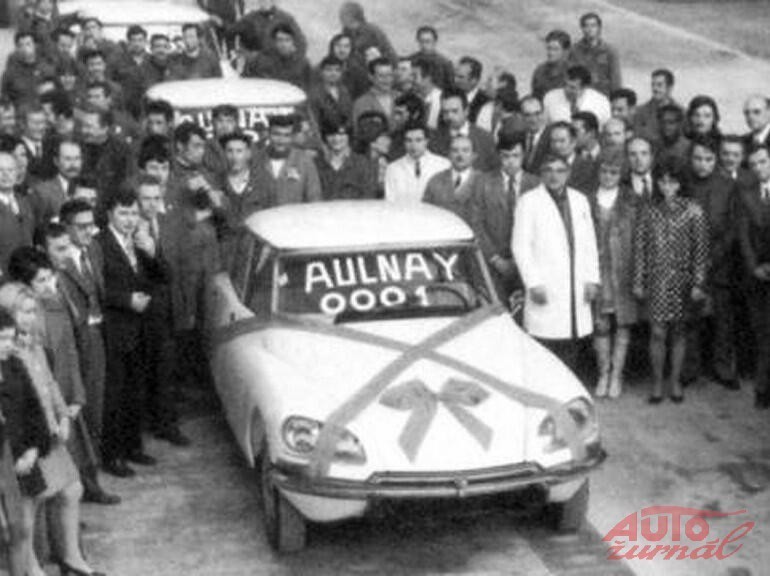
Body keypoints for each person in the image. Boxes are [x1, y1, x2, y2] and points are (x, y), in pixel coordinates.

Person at [0, 281, 105, 576]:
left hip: (49, 432)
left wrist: (63, 416)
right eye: (23, 312)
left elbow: (51, 384)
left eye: (33, 311)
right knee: (29, 507)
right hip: (29, 438)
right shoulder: (8, 355)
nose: (29, 318)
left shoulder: (35, 346)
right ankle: (32, 567)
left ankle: (71, 556)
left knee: (71, 490)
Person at [12, 241, 119, 507]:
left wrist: (76, 394)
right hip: (44, 400)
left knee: (81, 447)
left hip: (66, 391)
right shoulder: (19, 322)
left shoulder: (55, 304)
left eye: (49, 278)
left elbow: (70, 351)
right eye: (41, 281)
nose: (49, 285)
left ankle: (87, 490)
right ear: (23, 286)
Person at [97, 189, 165, 477]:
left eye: (134, 213)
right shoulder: (99, 244)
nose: (129, 219)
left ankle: (133, 447)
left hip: (141, 329)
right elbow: (96, 287)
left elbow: (165, 277)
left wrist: (152, 252)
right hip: (115, 329)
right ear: (110, 214)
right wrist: (126, 300)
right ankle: (112, 455)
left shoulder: (140, 241)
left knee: (135, 391)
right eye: (123, 213)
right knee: (115, 394)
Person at [512, 154, 600, 373]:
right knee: (546, 342)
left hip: (576, 283)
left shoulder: (579, 200)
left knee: (572, 340)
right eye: (548, 170)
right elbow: (520, 246)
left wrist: (592, 278)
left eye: (560, 170)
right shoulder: (529, 201)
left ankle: (569, 388)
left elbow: (589, 242)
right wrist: (533, 283)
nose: (554, 176)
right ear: (541, 174)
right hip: (545, 283)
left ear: (568, 173)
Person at [633, 159, 709, 403]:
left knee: (678, 332)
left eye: (673, 182)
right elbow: (639, 249)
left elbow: (701, 249)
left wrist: (699, 282)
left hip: (683, 281)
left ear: (680, 184)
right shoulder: (649, 210)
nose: (667, 187)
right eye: (663, 181)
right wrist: (638, 281)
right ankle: (657, 382)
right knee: (657, 332)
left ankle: (675, 381)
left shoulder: (693, 210)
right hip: (656, 281)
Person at [135, 177, 191, 448]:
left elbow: (180, 266)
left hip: (168, 308)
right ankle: (143, 426)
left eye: (156, 198)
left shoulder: (170, 223)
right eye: (145, 198)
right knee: (143, 371)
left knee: (166, 369)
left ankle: (166, 424)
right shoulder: (130, 228)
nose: (151, 204)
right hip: (141, 312)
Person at [682, 137, 738, 390]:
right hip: (688, 262)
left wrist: (712, 258)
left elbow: (732, 228)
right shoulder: (683, 185)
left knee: (723, 320)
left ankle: (723, 368)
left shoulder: (728, 186)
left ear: (716, 160)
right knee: (690, 318)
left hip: (720, 261)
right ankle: (690, 368)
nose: (702, 164)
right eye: (697, 158)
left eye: (708, 159)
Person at [57, 200, 106, 457]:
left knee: (98, 400)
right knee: (83, 401)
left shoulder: (94, 249)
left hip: (99, 332)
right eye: (81, 226)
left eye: (91, 225)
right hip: (77, 338)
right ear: (66, 227)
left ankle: (96, 456)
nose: (89, 231)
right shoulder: (60, 259)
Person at [590, 150, 639, 398]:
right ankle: (603, 373)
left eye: (614, 172)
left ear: (621, 175)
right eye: (604, 171)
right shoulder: (587, 199)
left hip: (624, 268)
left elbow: (639, 238)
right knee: (600, 322)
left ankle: (617, 375)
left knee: (622, 323)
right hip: (597, 268)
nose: (608, 176)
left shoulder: (631, 200)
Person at [471, 132, 538, 301]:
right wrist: (495, 258)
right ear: (498, 156)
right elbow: (476, 223)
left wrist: (519, 259)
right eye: (505, 156)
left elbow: (540, 227)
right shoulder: (482, 182)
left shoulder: (536, 184)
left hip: (528, 263)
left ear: (524, 155)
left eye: (516, 156)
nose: (511, 161)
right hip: (491, 263)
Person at [737, 145, 770, 408]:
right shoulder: (746, 195)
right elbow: (743, 236)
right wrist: (754, 267)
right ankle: (762, 389)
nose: (759, 168)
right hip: (758, 276)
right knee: (763, 335)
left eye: (763, 162)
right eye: (754, 164)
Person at [251, 115, 322, 206]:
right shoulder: (256, 160)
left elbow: (314, 198)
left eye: (286, 135)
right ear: (268, 134)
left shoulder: (304, 161)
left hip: (294, 214)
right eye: (276, 134)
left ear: (292, 137)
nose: (281, 140)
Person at [430, 87, 497, 172]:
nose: (449, 116)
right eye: (445, 112)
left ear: (466, 111)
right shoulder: (434, 140)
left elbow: (495, 172)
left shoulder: (485, 139)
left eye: (454, 111)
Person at [422, 135, 483, 224]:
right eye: (455, 150)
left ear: (474, 155)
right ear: (448, 155)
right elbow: (426, 213)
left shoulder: (485, 182)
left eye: (465, 150)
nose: (460, 155)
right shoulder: (435, 181)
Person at [384, 121, 449, 204]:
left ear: (426, 141)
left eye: (418, 140)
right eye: (409, 140)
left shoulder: (443, 165)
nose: (413, 145)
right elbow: (390, 201)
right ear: (404, 142)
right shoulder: (393, 168)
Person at [315, 122, 376, 201]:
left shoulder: (362, 163)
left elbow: (369, 196)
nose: (336, 139)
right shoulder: (316, 164)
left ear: (349, 136)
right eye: (331, 134)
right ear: (325, 137)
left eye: (341, 134)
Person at [243, 24, 312, 91]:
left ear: (293, 42)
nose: (283, 44)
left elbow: (308, 89)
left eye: (287, 40)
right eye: (280, 40)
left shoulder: (302, 64)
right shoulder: (260, 62)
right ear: (274, 42)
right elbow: (247, 84)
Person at [30, 138, 81, 228]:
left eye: (77, 158)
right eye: (68, 159)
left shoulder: (90, 188)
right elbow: (37, 227)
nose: (73, 164)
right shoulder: (42, 191)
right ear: (56, 161)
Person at [568, 12, 621, 96]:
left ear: (599, 28)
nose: (590, 29)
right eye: (586, 26)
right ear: (582, 28)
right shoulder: (574, 50)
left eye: (593, 25)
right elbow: (570, 76)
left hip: (603, 95)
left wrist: (616, 97)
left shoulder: (610, 51)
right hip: (581, 94)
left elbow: (615, 79)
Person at [543, 64, 610, 127]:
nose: (566, 89)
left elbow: (607, 126)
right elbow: (544, 125)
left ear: (584, 88)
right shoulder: (550, 98)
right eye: (565, 84)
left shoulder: (601, 102)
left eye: (572, 87)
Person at [0, 151, 34, 274]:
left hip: (27, 272)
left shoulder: (25, 202)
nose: (6, 175)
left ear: (17, 173)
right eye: (0, 170)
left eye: (10, 170)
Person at [231, 0, 306, 55]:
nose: (265, 2)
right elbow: (231, 31)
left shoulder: (285, 19)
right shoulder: (249, 19)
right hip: (256, 65)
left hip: (279, 64)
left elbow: (301, 43)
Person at [1, 31, 54, 107]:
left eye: (28, 44)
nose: (24, 48)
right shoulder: (9, 74)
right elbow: (4, 99)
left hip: (43, 111)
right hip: (20, 111)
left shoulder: (47, 69)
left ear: (35, 45)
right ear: (16, 48)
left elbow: (57, 94)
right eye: (20, 45)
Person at [109, 25, 150, 120]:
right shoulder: (118, 61)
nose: (137, 43)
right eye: (133, 40)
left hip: (149, 108)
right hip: (125, 108)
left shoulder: (153, 60)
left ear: (145, 42)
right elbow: (110, 82)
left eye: (140, 40)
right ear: (128, 42)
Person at [339, 1, 397, 66]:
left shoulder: (371, 31)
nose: (340, 17)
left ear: (351, 17)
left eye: (343, 14)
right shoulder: (347, 31)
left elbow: (391, 56)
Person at [634, 69, 682, 145]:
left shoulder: (681, 112)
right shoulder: (640, 112)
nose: (655, 89)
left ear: (670, 88)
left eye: (659, 85)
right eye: (653, 85)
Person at [548, 120, 597, 194]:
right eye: (553, 141)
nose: (557, 145)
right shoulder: (545, 165)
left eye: (562, 141)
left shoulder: (588, 167)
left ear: (573, 142)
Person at [309, 56, 353, 131]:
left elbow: (349, 116)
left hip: (344, 133)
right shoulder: (315, 94)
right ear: (321, 72)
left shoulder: (344, 91)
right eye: (329, 70)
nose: (333, 73)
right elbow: (314, 122)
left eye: (337, 70)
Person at [352, 57, 396, 130]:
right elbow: (359, 132)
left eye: (389, 75)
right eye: (381, 76)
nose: (387, 80)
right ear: (371, 77)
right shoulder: (362, 103)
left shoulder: (400, 98)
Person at [453, 56, 494, 132]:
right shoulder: (448, 94)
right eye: (454, 75)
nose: (455, 80)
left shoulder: (486, 104)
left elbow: (483, 134)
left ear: (474, 80)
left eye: (460, 77)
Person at [201, 104, 239, 183]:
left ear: (236, 124)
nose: (224, 126)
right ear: (213, 123)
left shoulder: (248, 148)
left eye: (229, 121)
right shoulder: (203, 148)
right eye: (220, 121)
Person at [328, 32, 370, 100]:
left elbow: (363, 96)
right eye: (338, 46)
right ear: (332, 48)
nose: (342, 50)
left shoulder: (359, 72)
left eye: (346, 46)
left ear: (351, 49)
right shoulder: (320, 70)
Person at [410, 26, 453, 91]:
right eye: (421, 41)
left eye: (427, 41)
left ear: (435, 42)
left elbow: (450, 87)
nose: (424, 45)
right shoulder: (412, 60)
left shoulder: (445, 63)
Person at [531, 29, 571, 101]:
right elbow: (535, 98)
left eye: (555, 49)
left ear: (565, 51)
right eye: (549, 48)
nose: (551, 53)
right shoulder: (539, 71)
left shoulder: (573, 73)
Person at [519, 95, 550, 174]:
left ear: (544, 113)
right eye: (527, 115)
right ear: (521, 117)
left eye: (537, 113)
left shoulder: (553, 138)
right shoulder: (517, 137)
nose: (533, 119)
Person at [412, 57, 442, 131]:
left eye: (414, 76)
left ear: (427, 78)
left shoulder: (440, 100)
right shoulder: (416, 99)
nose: (411, 80)